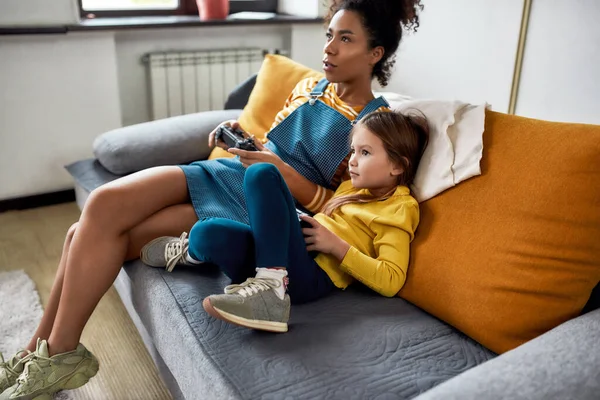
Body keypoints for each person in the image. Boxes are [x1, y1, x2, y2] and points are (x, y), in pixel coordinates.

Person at [0, 1, 423, 399]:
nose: (329, 47)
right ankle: (36, 350)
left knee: (87, 235)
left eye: (345, 39)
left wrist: (274, 169)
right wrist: (241, 136)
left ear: (375, 53)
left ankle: (55, 355)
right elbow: (272, 145)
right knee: (102, 206)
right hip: (229, 172)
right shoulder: (309, 86)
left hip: (261, 204)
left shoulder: (375, 125)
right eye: (329, 34)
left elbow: (335, 205)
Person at [176, 110, 429, 332]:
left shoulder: (399, 207)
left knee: (262, 173)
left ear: (397, 166)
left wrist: (336, 246)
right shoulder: (350, 187)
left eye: (365, 152)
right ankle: (190, 253)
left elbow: (391, 280)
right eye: (353, 150)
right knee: (207, 231)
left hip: (311, 274)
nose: (352, 160)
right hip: (289, 256)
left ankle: (271, 293)